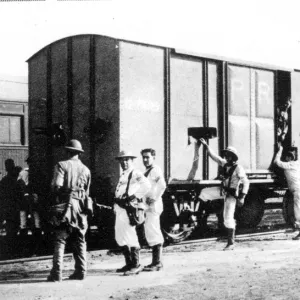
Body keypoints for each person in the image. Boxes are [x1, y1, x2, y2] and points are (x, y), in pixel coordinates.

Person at [47, 139, 91, 282]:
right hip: (80, 208)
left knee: (60, 239)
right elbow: (87, 192)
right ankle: (81, 272)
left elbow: (56, 187)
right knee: (80, 240)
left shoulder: (61, 165)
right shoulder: (86, 170)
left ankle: (57, 273)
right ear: (79, 153)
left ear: (67, 151)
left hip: (65, 207)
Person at [198, 139, 249, 250]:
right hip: (223, 191)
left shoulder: (238, 168)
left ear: (233, 157)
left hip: (231, 195)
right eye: (226, 155)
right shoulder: (225, 164)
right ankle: (197, 215)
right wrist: (206, 146)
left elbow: (246, 182)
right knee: (204, 193)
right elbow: (214, 157)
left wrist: (242, 197)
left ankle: (231, 243)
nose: (226, 156)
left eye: (229, 155)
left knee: (228, 218)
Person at [114, 150, 151, 276]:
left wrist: (133, 197)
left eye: (126, 160)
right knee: (120, 236)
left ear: (131, 161)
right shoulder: (124, 174)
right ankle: (129, 263)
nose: (124, 162)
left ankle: (136, 264)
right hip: (120, 208)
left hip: (128, 208)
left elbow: (147, 185)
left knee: (130, 235)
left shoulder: (135, 173)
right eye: (121, 160)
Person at [140, 148, 166, 271]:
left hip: (153, 206)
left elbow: (162, 185)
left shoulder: (155, 170)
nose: (145, 159)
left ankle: (157, 263)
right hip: (149, 206)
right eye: (143, 157)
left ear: (153, 158)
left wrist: (154, 198)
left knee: (153, 231)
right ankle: (155, 262)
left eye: (148, 157)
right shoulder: (148, 171)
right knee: (151, 231)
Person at [274, 143, 300, 239]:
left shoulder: (288, 165)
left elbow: (276, 161)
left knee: (298, 210)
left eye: (287, 157)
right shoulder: (297, 163)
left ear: (289, 158)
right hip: (298, 189)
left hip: (297, 190)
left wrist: (280, 149)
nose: (286, 158)